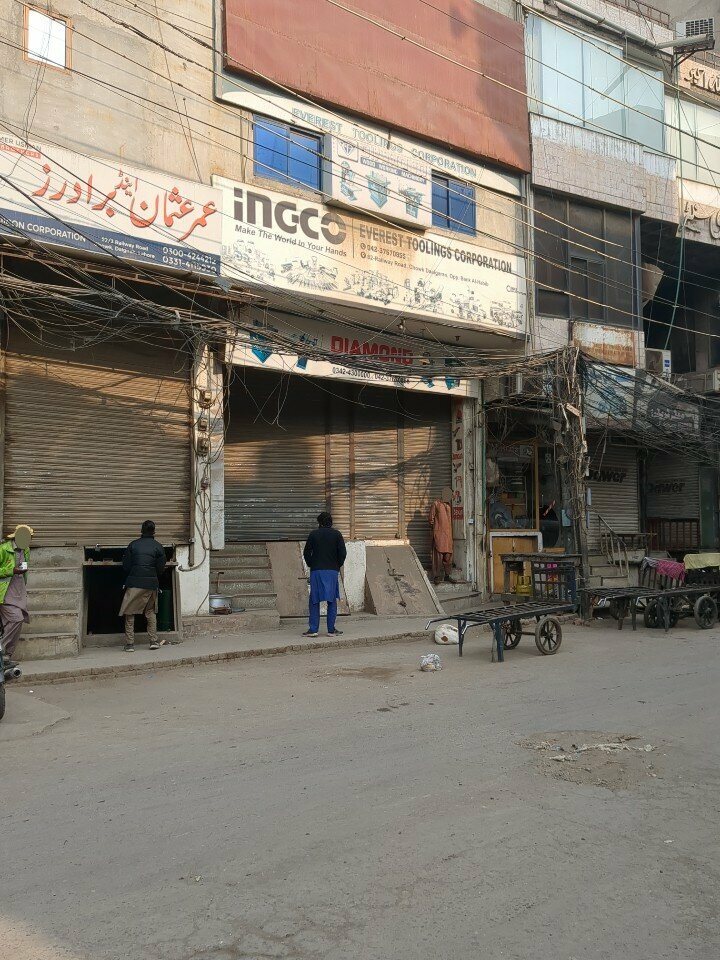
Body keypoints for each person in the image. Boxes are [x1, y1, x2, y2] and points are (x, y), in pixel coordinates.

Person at [120, 520, 166, 652]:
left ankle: (129, 644)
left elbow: (126, 566)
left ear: (141, 530)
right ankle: (153, 641)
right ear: (154, 532)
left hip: (134, 583)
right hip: (151, 585)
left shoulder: (133, 545)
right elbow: (160, 569)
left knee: (129, 612)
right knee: (150, 612)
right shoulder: (158, 547)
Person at [303, 511, 346, 638]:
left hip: (316, 571)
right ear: (331, 522)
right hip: (332, 571)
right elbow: (342, 553)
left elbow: (306, 552)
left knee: (314, 600)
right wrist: (337, 565)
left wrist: (311, 564)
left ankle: (313, 630)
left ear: (319, 522)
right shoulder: (337, 534)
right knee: (332, 600)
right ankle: (331, 630)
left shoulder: (313, 534)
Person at [0, 524, 33, 663]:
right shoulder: (3, 549)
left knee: (12, 622)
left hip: (18, 590)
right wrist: (11, 571)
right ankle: (3, 651)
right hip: (5, 591)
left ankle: (6, 655)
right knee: (16, 618)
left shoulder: (26, 550)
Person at [429, 488, 454, 584]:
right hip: (439, 534)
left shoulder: (449, 505)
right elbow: (431, 519)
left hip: (448, 535)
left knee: (448, 556)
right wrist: (436, 530)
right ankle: (436, 577)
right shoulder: (436, 504)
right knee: (437, 556)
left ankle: (447, 575)